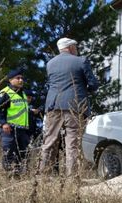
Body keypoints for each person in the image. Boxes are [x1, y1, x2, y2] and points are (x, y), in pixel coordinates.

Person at [41, 37, 99, 176]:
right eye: (76, 47)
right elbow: (93, 84)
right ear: (71, 47)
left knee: (49, 141)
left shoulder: (50, 64)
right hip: (75, 106)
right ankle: (72, 179)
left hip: (53, 106)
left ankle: (42, 176)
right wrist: (86, 88)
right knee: (72, 144)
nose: (77, 50)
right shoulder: (81, 61)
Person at [0, 68, 32, 175]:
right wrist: (3, 123)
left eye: (21, 78)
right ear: (10, 80)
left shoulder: (23, 93)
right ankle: (9, 176)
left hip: (22, 130)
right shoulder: (5, 93)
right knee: (9, 154)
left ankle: (19, 175)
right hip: (9, 129)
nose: (20, 80)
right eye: (17, 78)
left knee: (24, 154)